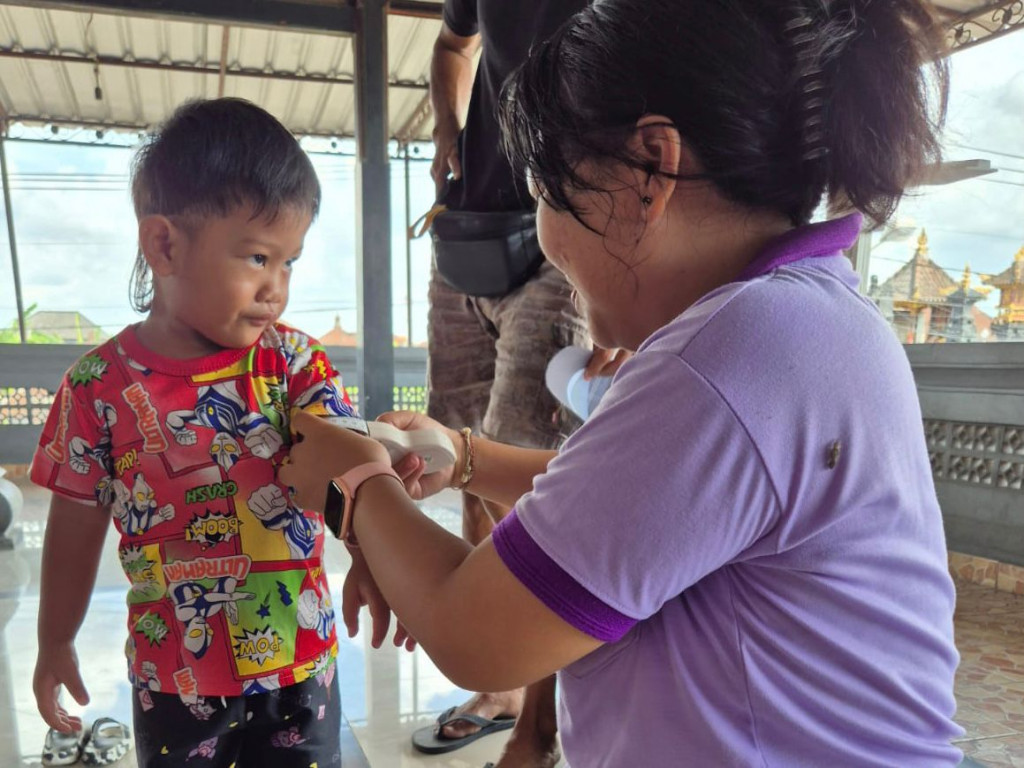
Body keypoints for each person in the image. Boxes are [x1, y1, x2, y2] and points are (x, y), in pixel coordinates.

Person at [282, 0, 966, 765]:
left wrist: (351, 485)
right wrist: (467, 457)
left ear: (651, 169)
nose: (542, 230)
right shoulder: (812, 320)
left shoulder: (722, 362)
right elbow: (654, 499)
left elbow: (474, 635)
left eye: (546, 187)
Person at [30, 98, 398, 768]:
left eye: (290, 262)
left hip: (299, 664)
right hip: (173, 679)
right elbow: (74, 524)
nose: (276, 289)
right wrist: (55, 639)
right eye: (258, 257)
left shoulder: (292, 364)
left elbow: (353, 467)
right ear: (165, 244)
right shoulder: (97, 389)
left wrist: (372, 560)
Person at [423, 1, 626, 765]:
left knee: (527, 470)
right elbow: (453, 46)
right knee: (466, 463)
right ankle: (503, 677)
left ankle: (539, 723)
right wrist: (448, 130)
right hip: (467, 240)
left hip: (565, 242)